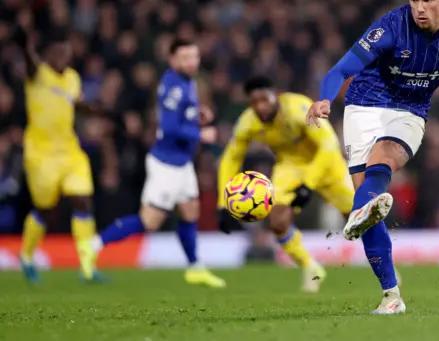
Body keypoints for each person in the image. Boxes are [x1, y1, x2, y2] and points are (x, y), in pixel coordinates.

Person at [306, 0, 439, 314]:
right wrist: (325, 98)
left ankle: (364, 206)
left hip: (410, 112)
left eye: (428, 0)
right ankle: (391, 295)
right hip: (364, 107)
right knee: (367, 207)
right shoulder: (390, 28)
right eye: (414, 0)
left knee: (384, 159)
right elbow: (340, 70)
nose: (420, 8)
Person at [78, 39, 225, 288]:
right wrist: (200, 134)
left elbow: (180, 117)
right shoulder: (173, 86)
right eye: (186, 57)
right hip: (166, 164)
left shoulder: (187, 82)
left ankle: (194, 268)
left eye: (195, 56)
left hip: (182, 162)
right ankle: (91, 246)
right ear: (173, 60)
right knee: (149, 222)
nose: (192, 62)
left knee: (191, 213)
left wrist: (197, 117)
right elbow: (167, 127)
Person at [217, 76, 354, 293]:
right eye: (254, 103)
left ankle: (388, 267)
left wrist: (308, 184)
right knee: (277, 222)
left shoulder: (299, 108)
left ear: (276, 96)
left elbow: (329, 145)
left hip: (327, 164)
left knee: (358, 218)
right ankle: (311, 268)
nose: (260, 107)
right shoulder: (248, 122)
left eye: (264, 100)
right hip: (289, 167)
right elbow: (231, 158)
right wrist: (222, 203)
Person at [13, 25, 105, 283]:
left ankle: (88, 266)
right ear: (48, 55)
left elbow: (76, 103)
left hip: (69, 149)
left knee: (83, 201)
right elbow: (31, 63)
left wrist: (101, 111)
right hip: (41, 153)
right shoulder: (38, 74)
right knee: (45, 209)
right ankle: (27, 256)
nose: (62, 57)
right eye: (57, 53)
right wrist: (25, 46)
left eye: (66, 53)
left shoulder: (72, 78)